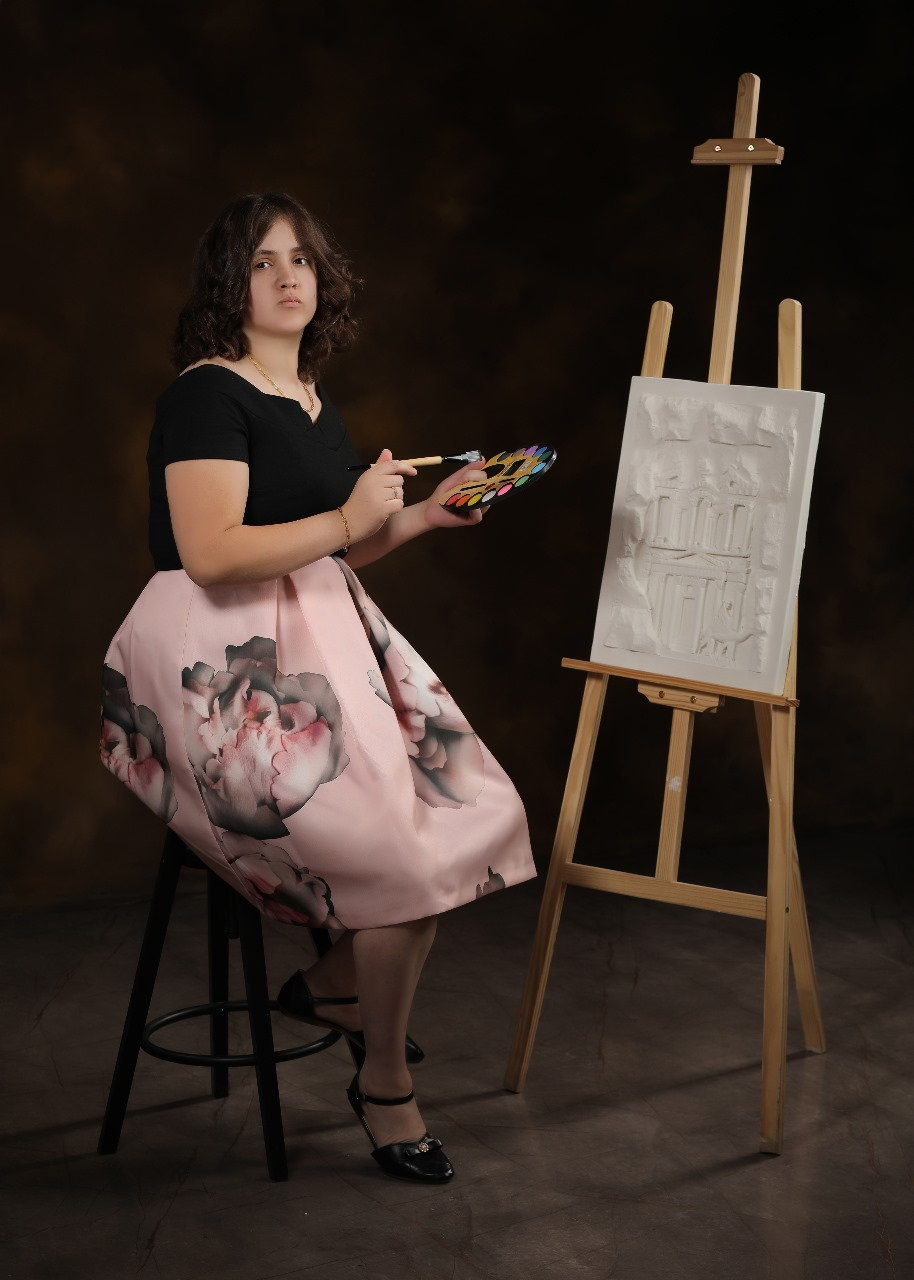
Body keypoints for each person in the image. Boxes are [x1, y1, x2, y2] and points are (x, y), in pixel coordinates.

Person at [100, 191, 536, 1184]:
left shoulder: (304, 390)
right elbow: (213, 553)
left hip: (317, 637)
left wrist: (419, 515)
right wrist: (347, 518)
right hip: (219, 664)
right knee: (397, 855)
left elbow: (332, 545)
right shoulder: (206, 396)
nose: (288, 275)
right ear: (229, 284)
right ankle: (383, 1084)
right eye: (261, 261)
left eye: (300, 258)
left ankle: (337, 983)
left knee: (449, 813)